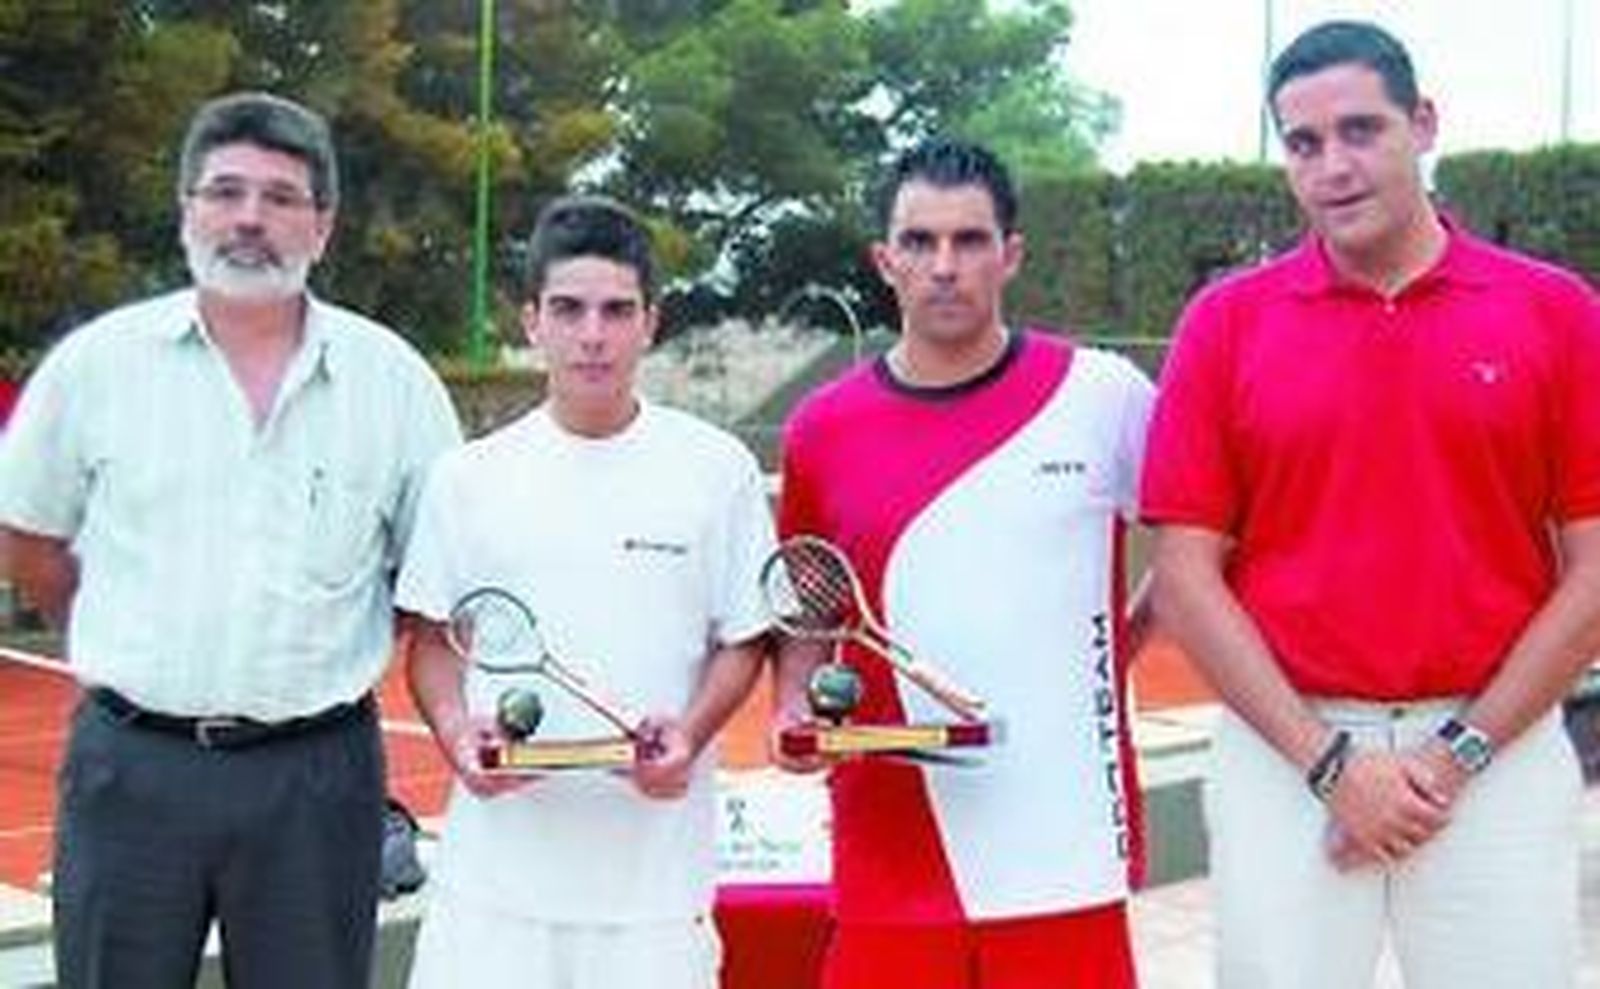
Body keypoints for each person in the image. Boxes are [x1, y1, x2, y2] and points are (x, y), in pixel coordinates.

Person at [1143, 20, 1600, 989]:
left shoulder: (1556, 313)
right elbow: (1184, 574)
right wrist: (1327, 764)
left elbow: (1595, 565)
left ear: (1422, 124)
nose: (1332, 166)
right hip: (1285, 752)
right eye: (1302, 143)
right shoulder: (1224, 325)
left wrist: (1454, 755)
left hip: (1497, 752)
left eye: (1360, 130)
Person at [0, 92, 461, 987]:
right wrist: (123, 641)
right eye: (226, 191)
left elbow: (430, 575)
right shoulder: (98, 367)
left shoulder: (395, 384)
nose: (251, 217)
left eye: (282, 197)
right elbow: (30, 536)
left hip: (316, 778)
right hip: (130, 771)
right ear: (187, 213)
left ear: (323, 226)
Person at [772, 138, 1155, 989]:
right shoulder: (823, 428)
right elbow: (807, 609)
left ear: (1010, 254)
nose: (944, 266)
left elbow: (1203, 543)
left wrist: (1120, 643)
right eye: (919, 241)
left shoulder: (1105, 395)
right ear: (885, 260)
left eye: (970, 240)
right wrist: (794, 703)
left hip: (1065, 853)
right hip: (890, 857)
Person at [397, 194, 777, 989]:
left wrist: (693, 732)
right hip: (493, 895)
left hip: (655, 902)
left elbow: (744, 637)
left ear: (651, 322)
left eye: (616, 310)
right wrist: (457, 733)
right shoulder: (466, 479)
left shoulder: (717, 469)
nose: (593, 335)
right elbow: (432, 642)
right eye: (568, 309)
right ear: (533, 320)